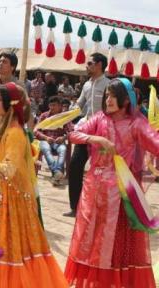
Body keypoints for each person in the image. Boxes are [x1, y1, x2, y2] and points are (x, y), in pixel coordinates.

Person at [0, 83, 68, 287]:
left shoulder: (16, 134)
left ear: (11, 105)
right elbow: (0, 161)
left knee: (12, 249)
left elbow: (8, 171)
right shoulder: (5, 129)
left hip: (11, 202)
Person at [64, 78, 159, 288]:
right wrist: (96, 139)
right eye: (107, 95)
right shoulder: (99, 119)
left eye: (113, 95)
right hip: (94, 191)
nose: (108, 99)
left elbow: (156, 144)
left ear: (126, 100)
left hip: (120, 194)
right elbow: (73, 135)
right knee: (90, 240)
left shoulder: (136, 123)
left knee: (114, 243)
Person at [64, 52, 110, 217]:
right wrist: (65, 115)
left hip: (103, 135)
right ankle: (75, 207)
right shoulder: (86, 85)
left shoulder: (109, 85)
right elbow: (79, 106)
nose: (87, 66)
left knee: (101, 171)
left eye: (90, 63)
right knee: (75, 166)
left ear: (99, 65)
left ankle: (102, 209)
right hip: (86, 132)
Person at [34, 96, 73, 185]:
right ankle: (57, 172)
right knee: (46, 149)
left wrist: (63, 138)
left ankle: (56, 173)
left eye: (54, 105)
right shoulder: (44, 116)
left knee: (63, 150)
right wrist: (45, 138)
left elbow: (71, 131)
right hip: (46, 140)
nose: (51, 107)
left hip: (58, 141)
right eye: (50, 105)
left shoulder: (64, 117)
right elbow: (36, 130)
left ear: (60, 106)